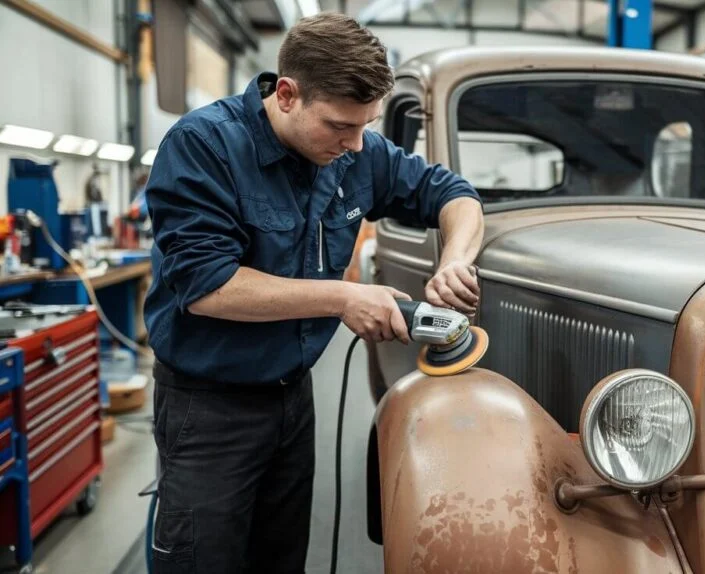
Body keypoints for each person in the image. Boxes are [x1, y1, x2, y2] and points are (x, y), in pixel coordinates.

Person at [142, 12, 483, 574]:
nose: (353, 145)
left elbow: (454, 194)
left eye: (365, 126)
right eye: (339, 127)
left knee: (279, 560)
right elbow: (206, 286)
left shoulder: (357, 152)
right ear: (287, 94)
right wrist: (344, 297)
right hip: (208, 410)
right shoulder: (204, 146)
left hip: (291, 403)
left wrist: (454, 261)